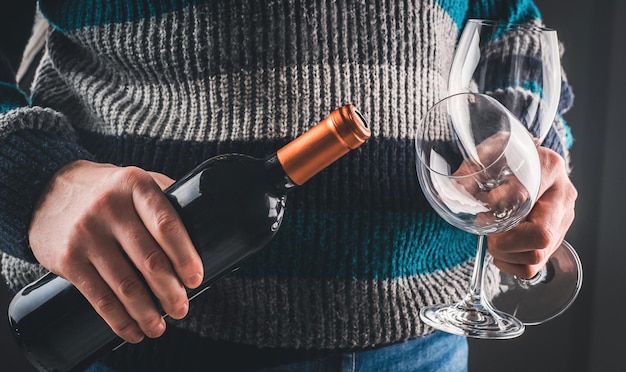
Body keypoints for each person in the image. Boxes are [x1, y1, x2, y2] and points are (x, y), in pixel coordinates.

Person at [0, 1, 576, 371]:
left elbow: (508, 23)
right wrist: (30, 177)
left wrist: (518, 145)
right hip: (145, 341)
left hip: (424, 346)